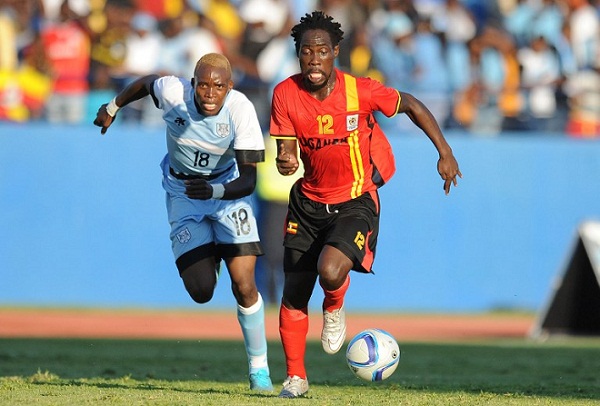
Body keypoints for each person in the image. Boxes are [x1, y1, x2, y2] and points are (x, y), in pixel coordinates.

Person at [269, 11, 462, 398]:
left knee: (330, 269)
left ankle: (335, 306)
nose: (314, 59)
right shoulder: (285, 94)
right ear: (298, 55)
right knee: (293, 292)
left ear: (335, 52)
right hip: (307, 202)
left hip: (355, 200)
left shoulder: (360, 91)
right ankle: (295, 378)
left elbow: (411, 104)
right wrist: (284, 160)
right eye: (307, 52)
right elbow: (286, 150)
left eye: (322, 51)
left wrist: (444, 151)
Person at [92, 53, 273, 392]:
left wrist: (215, 190)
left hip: (226, 192)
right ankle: (214, 249)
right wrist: (114, 108)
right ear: (192, 84)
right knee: (201, 291)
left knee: (244, 284)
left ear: (229, 88)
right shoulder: (173, 93)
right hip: (183, 194)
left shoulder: (241, 110)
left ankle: (259, 369)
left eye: (217, 86)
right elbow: (147, 83)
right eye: (202, 84)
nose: (209, 92)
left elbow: (249, 180)